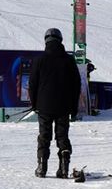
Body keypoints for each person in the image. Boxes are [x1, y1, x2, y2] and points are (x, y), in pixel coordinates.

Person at [29, 28, 81, 179]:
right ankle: (64, 168)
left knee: (44, 136)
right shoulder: (69, 60)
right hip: (64, 106)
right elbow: (76, 85)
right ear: (60, 40)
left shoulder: (39, 60)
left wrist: (34, 104)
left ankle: (41, 167)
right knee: (62, 136)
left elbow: (32, 85)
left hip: (44, 106)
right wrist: (74, 107)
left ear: (46, 40)